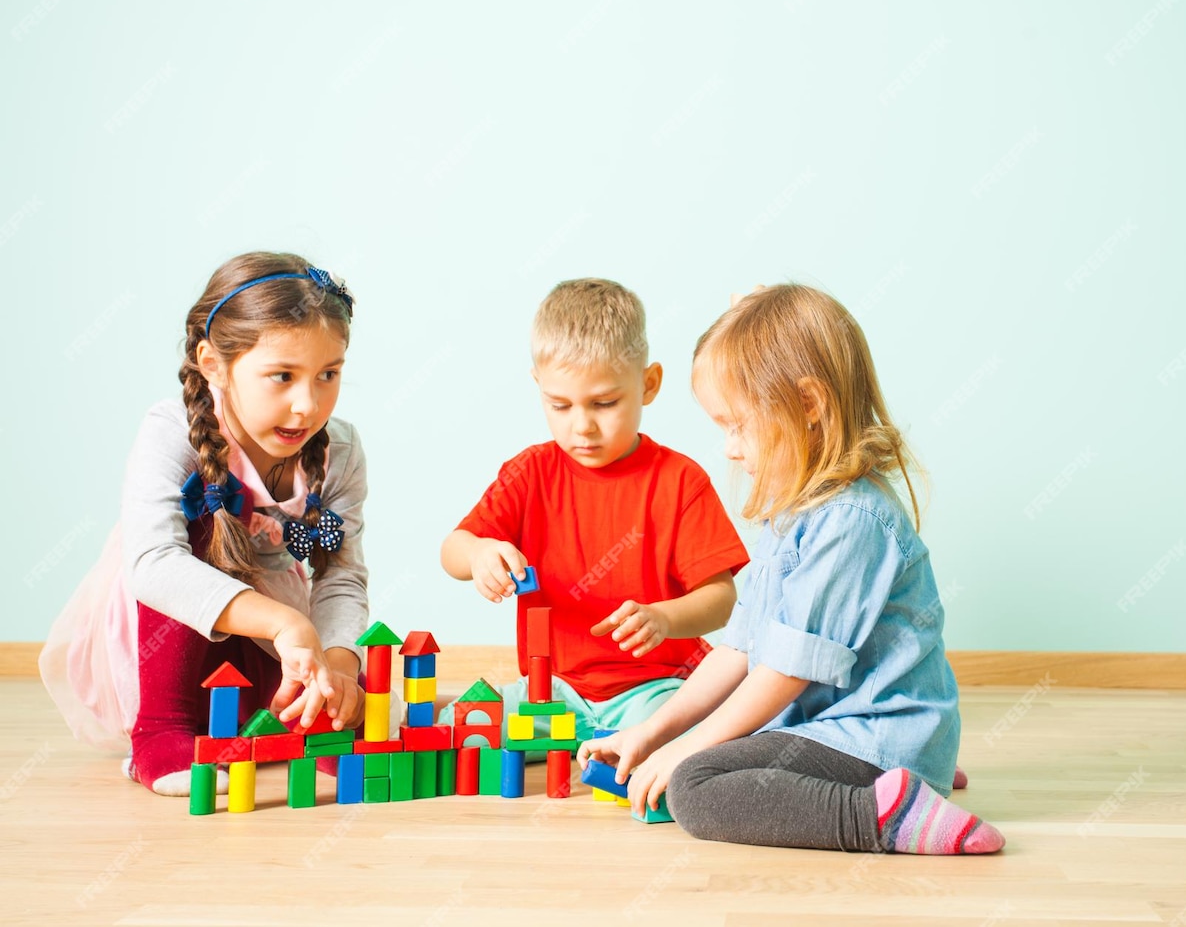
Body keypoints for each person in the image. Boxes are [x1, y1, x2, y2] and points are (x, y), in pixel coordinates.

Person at [579, 284, 1002, 854]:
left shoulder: (851, 519)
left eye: (737, 425)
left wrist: (685, 752)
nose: (729, 449)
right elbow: (737, 651)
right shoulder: (793, 514)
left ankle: (888, 813)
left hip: (869, 732)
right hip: (837, 728)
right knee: (704, 755)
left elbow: (784, 674)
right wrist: (653, 733)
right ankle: (899, 773)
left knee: (695, 787)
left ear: (807, 405)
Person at [39, 253, 371, 796]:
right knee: (203, 521)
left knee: (338, 713)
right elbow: (153, 565)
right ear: (213, 364)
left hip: (262, 650)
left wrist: (336, 663)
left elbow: (342, 574)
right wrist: (287, 625)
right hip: (162, 651)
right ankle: (162, 732)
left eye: (328, 374)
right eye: (281, 376)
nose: (307, 405)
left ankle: (299, 719)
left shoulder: (343, 449)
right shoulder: (172, 430)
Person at [440, 278, 749, 742]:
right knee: (456, 728)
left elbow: (721, 599)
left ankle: (628, 747)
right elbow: (453, 551)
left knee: (699, 730)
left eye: (604, 403)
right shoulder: (529, 473)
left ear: (648, 384)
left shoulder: (680, 481)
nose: (582, 426)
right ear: (538, 386)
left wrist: (665, 619)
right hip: (552, 692)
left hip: (655, 688)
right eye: (559, 405)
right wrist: (480, 553)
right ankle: (597, 745)